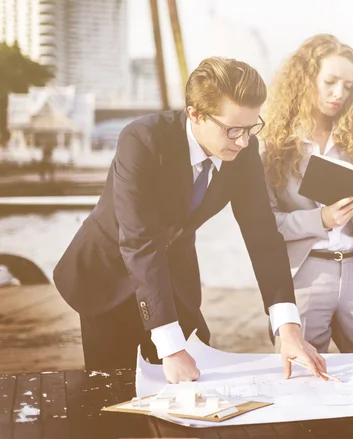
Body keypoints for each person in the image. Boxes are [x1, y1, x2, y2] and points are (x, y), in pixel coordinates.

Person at [53, 57, 327, 383]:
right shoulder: (141, 140)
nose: (243, 140)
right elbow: (139, 241)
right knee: (113, 389)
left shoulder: (244, 150)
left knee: (199, 384)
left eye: (252, 127)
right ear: (195, 114)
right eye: (232, 129)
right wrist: (170, 348)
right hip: (107, 274)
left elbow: (263, 236)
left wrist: (289, 329)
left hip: (173, 276)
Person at [261, 34, 353, 353]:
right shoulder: (272, 143)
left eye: (348, 85)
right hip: (305, 275)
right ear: (305, 78)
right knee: (301, 377)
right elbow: (267, 223)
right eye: (330, 81)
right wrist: (321, 218)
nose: (338, 93)